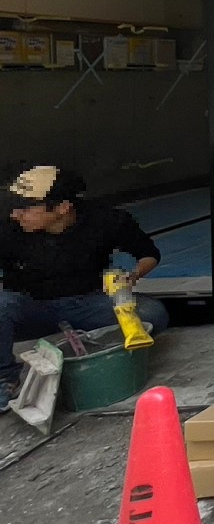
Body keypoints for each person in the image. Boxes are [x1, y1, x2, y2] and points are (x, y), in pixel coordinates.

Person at [0, 165, 170, 409]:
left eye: (25, 208)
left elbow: (149, 254)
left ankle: (96, 339)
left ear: (63, 207)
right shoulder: (9, 229)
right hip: (31, 307)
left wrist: (131, 277)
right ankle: (5, 378)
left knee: (153, 314)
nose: (16, 215)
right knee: (3, 305)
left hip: (87, 304)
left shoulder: (105, 220)